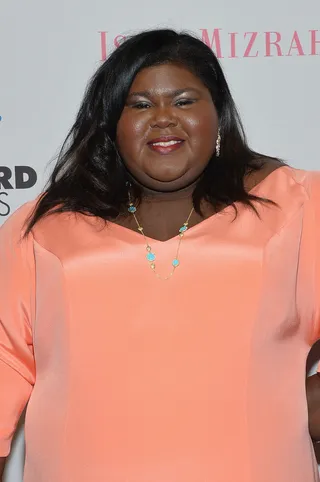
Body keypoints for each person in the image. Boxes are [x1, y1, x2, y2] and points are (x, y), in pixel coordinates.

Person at [0, 28, 320, 482]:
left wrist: (291, 409)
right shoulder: (46, 224)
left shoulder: (298, 205)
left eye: (185, 101)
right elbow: (5, 359)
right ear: (112, 123)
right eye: (141, 105)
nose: (164, 118)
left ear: (219, 115)